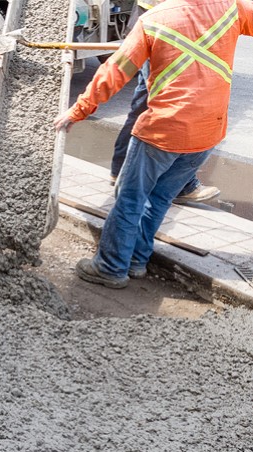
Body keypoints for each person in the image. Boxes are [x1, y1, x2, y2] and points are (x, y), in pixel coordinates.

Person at [54, 0, 253, 289]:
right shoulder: (230, 8)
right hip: (207, 134)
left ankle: (111, 267)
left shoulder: (153, 20)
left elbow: (114, 72)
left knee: (130, 199)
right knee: (159, 199)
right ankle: (136, 260)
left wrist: (79, 110)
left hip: (162, 133)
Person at [110, 0, 221, 204]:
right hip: (163, 23)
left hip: (159, 20)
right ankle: (182, 185)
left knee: (145, 101)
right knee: (168, 103)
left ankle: (121, 170)